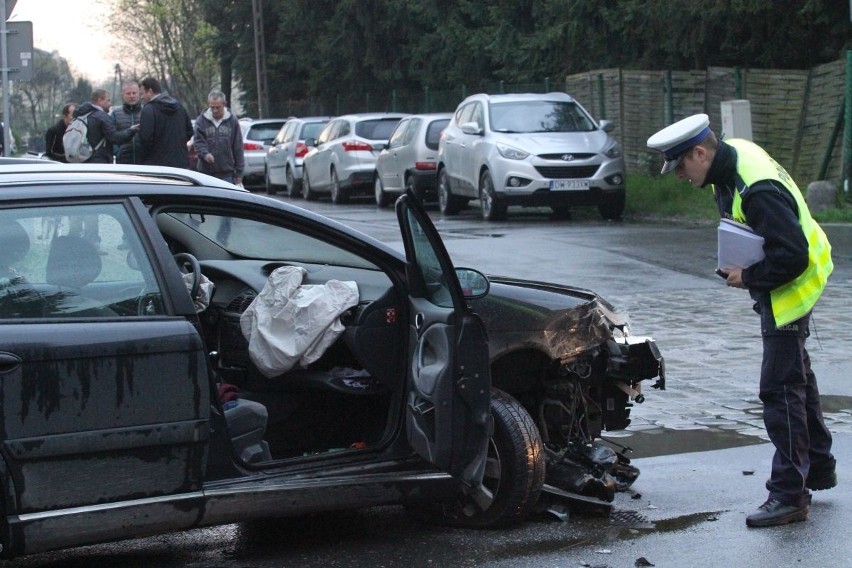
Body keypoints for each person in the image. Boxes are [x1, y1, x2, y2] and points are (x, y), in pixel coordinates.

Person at [647, 114, 836, 528]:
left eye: (680, 165)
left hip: (790, 288)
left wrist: (746, 276)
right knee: (798, 376)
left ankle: (790, 496)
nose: (678, 175)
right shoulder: (734, 157)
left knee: (779, 389)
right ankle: (818, 466)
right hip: (788, 283)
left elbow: (792, 256)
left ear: (701, 152)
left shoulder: (756, 190)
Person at [138, 77, 193, 168]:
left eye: (142, 93)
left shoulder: (148, 110)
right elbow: (190, 131)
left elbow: (145, 139)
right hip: (180, 163)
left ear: (150, 91)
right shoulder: (179, 107)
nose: (141, 97)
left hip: (157, 164)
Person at [72, 89, 138, 164]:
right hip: (99, 161)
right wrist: (132, 130)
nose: (110, 104)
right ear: (100, 100)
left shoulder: (82, 115)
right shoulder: (102, 117)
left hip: (83, 159)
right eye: (108, 100)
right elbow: (115, 137)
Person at [193, 90, 245, 185]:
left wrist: (239, 172)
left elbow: (238, 147)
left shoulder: (232, 121)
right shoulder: (201, 121)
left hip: (227, 174)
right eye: (212, 107)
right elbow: (198, 142)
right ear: (209, 104)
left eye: (218, 107)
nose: (215, 110)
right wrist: (205, 154)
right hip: (205, 173)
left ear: (224, 104)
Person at [110, 80, 143, 164]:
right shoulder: (115, 114)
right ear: (123, 95)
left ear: (139, 93)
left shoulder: (147, 112)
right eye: (128, 93)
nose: (131, 96)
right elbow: (111, 136)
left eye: (134, 93)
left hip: (145, 162)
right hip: (123, 164)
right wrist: (118, 152)